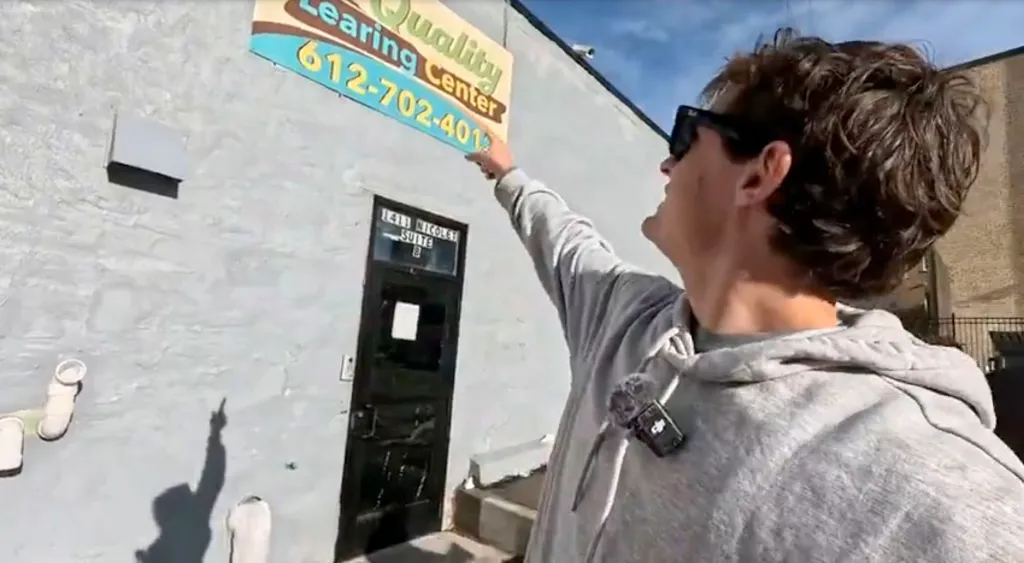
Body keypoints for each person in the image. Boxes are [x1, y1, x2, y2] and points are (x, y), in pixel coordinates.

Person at [466, 28, 1024, 562]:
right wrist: (507, 173)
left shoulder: (917, 481)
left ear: (758, 176)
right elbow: (566, 241)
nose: (666, 161)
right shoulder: (623, 319)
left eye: (686, 135)